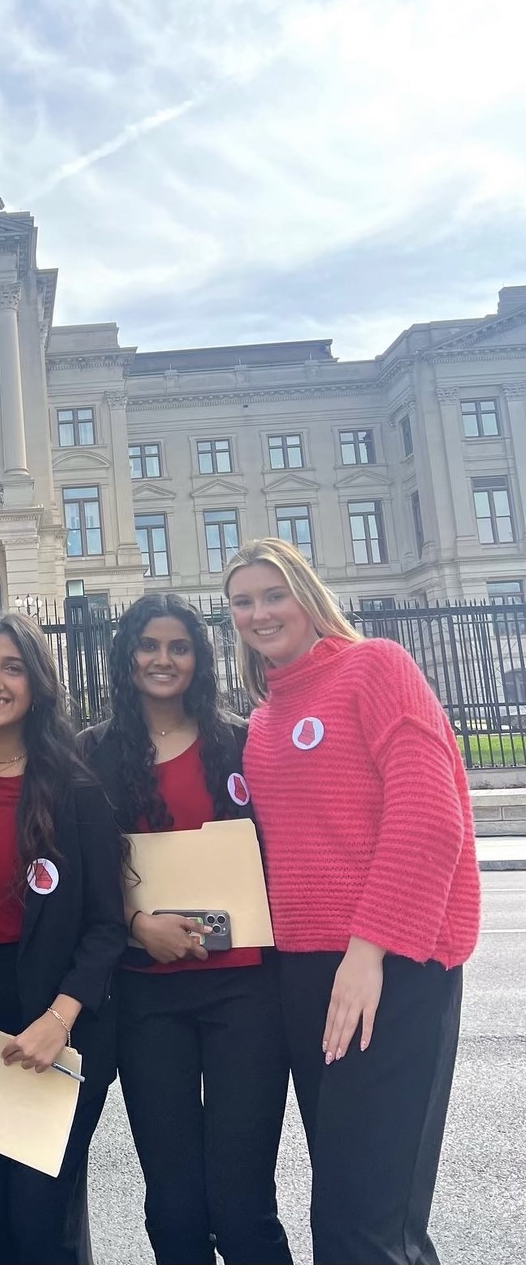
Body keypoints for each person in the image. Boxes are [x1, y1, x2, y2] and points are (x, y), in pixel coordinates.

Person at [223, 538, 481, 1265]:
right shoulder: (267, 715)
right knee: (339, 1207)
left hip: (389, 965)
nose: (259, 611)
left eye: (274, 593)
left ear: (308, 593)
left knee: (374, 1220)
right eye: (243, 601)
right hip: (304, 976)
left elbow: (429, 815)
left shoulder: (377, 666)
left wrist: (368, 952)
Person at [77, 594, 292, 1265]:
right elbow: (82, 871)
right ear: (127, 654)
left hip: (245, 994)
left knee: (242, 1204)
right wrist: (139, 925)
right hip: (147, 999)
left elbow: (282, 847)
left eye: (178, 646)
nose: (162, 659)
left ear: (198, 657)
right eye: (148, 644)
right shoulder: (94, 752)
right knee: (173, 1203)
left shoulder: (242, 740)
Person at [0, 611, 126, 1265]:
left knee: (41, 1220)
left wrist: (60, 1018)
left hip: (55, 1013)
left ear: (37, 683)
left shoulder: (76, 790)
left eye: (13, 666)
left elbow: (106, 924)